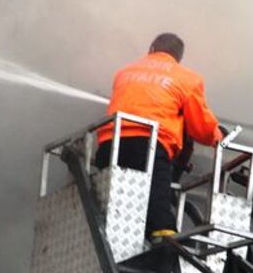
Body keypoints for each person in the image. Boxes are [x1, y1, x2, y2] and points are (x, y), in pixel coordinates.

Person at [96, 32, 224, 239]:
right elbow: (201, 127)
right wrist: (217, 136)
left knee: (111, 203)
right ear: (178, 57)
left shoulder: (124, 72)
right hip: (149, 147)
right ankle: (163, 241)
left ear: (152, 49)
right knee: (159, 209)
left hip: (109, 144)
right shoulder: (188, 78)